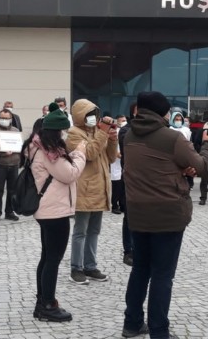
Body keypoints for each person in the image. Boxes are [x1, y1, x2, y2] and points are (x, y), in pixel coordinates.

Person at [122, 91, 208, 339]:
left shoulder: (129, 135)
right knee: (163, 275)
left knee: (140, 269)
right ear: (164, 113)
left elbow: (152, 165)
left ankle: (132, 324)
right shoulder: (172, 138)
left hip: (138, 212)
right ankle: (159, 331)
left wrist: (179, 167)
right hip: (167, 215)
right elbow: (202, 167)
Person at [26, 103, 86, 323]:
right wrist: (80, 155)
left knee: (46, 257)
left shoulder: (37, 146)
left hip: (48, 210)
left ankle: (42, 301)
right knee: (53, 259)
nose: (63, 135)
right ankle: (48, 305)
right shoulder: (48, 153)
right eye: (61, 132)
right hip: (55, 212)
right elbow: (69, 174)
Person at [65, 99, 118, 285]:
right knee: (81, 230)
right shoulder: (73, 134)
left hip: (100, 187)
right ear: (80, 116)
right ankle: (76, 268)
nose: (93, 119)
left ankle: (90, 265)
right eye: (89, 115)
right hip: (84, 188)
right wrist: (103, 133)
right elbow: (90, 154)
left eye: (95, 115)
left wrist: (112, 139)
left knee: (94, 230)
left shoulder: (98, 132)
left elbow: (110, 158)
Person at [0, 108, 21, 221]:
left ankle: (9, 211)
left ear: (11, 119)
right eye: (2, 118)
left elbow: (20, 146)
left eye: (6, 118)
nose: (4, 120)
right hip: (0, 164)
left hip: (14, 164)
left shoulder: (16, 131)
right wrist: (2, 153)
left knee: (12, 190)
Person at [118, 104, 137, 266]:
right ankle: (128, 250)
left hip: (146, 179)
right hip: (130, 178)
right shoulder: (126, 130)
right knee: (129, 216)